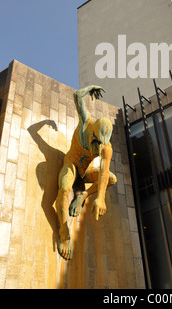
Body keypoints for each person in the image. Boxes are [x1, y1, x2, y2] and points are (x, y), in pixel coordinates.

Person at [55, 85, 117, 260]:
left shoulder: (106, 148)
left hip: (87, 171)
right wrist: (90, 88)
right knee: (65, 190)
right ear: (93, 133)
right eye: (96, 142)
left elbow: (104, 173)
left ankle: (84, 195)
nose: (98, 148)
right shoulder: (86, 122)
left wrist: (100, 198)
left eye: (101, 144)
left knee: (112, 179)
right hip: (72, 163)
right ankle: (63, 231)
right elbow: (77, 97)